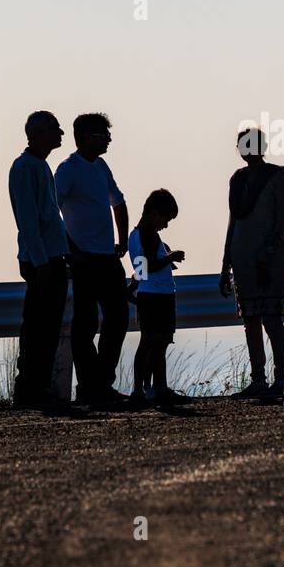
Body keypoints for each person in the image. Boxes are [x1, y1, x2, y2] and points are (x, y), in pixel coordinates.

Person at [220, 128, 284, 398]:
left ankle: (282, 379)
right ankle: (258, 380)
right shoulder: (237, 179)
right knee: (251, 318)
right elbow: (233, 223)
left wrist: (269, 250)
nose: (245, 149)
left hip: (270, 258)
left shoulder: (277, 176)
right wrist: (225, 265)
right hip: (242, 257)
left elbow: (282, 221)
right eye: (241, 144)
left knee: (270, 317)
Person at [54, 113, 130, 404]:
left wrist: (121, 241)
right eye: (103, 135)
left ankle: (99, 383)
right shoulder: (68, 170)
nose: (109, 139)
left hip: (107, 258)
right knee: (86, 326)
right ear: (86, 137)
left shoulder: (101, 166)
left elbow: (118, 201)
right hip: (84, 260)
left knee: (118, 318)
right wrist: (71, 248)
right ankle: (92, 386)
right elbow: (53, 208)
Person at [7, 111, 77, 413]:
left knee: (47, 327)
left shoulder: (39, 166)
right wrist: (41, 262)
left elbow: (48, 218)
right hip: (42, 260)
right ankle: (30, 390)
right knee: (38, 326)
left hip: (51, 257)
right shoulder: (25, 168)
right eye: (54, 130)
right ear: (36, 133)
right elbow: (29, 220)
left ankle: (38, 389)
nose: (60, 135)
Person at [127, 189, 188, 407]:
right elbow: (150, 266)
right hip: (156, 296)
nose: (166, 224)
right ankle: (146, 389)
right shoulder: (146, 234)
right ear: (154, 214)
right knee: (151, 343)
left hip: (152, 294)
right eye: (166, 219)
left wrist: (134, 287)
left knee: (157, 343)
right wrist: (170, 257)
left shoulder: (137, 235)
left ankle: (151, 388)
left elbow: (142, 270)